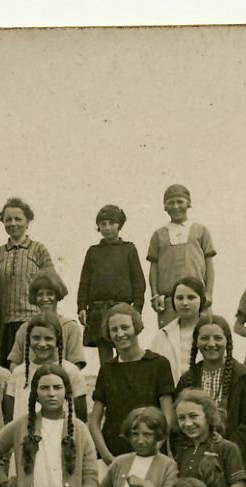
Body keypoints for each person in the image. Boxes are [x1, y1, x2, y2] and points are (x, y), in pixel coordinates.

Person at [0, 364, 98, 487]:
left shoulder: (80, 430)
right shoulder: (22, 425)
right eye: (44, 388)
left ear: (67, 392)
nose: (51, 393)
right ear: (35, 393)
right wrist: (3, 481)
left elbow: (90, 480)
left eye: (57, 388)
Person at [176, 314, 246, 479]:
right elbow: (177, 426)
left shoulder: (244, 378)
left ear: (227, 342)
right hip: (194, 461)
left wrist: (222, 448)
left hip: (234, 462)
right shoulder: (187, 380)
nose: (211, 344)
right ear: (196, 342)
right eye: (204, 338)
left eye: (217, 338)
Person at [90, 304, 175, 461]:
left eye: (125, 327)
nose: (120, 334)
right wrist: (107, 456)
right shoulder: (107, 369)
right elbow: (94, 421)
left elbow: (167, 417)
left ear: (136, 327)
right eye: (114, 329)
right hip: (114, 454)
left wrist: (154, 451)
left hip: (151, 455)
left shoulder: (159, 364)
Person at [78, 205, 146, 369]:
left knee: (125, 347)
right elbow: (84, 281)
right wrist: (81, 306)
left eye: (111, 223)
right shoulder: (93, 252)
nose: (107, 228)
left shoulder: (129, 249)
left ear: (119, 225)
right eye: (103, 224)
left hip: (122, 308)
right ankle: (107, 383)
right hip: (98, 309)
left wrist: (137, 308)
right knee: (104, 353)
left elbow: (138, 281)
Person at [172, 389, 246, 487]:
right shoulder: (181, 451)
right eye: (181, 418)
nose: (188, 423)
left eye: (194, 416)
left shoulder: (226, 448)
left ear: (209, 416)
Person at [0, 196, 57, 360]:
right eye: (8, 219)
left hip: (32, 321)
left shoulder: (38, 250)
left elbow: (52, 285)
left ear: (28, 222)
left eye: (18, 219)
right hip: (5, 323)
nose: (13, 223)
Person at [146, 183, 215, 328]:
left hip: (197, 298)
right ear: (165, 206)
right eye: (170, 203)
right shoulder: (159, 234)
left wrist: (208, 293)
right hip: (170, 301)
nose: (176, 206)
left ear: (188, 203)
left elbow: (209, 263)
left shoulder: (200, 230)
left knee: (200, 339)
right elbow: (154, 267)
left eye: (180, 201)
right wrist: (154, 295)